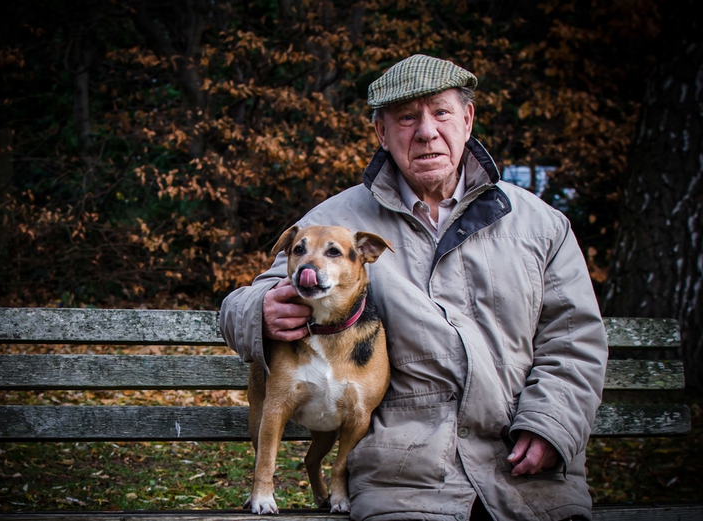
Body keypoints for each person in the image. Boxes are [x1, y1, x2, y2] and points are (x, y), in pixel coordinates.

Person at [220, 54, 608, 521]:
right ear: (381, 133)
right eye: (406, 118)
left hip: (525, 475)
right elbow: (245, 301)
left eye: (441, 112)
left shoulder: (540, 225)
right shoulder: (339, 224)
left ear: (467, 119)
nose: (426, 131)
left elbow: (575, 339)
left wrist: (552, 425)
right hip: (403, 478)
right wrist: (260, 312)